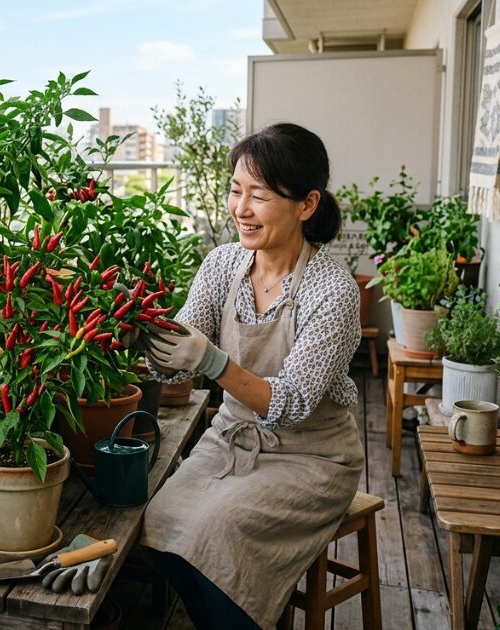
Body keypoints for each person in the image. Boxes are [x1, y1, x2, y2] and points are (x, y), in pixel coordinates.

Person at [140, 122, 363, 630]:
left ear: (307, 204)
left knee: (217, 529)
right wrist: (145, 336)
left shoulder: (332, 290)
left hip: (312, 454)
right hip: (232, 437)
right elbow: (179, 348)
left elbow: (293, 402)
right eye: (235, 191)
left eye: (257, 196)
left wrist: (211, 361)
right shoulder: (223, 264)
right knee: (159, 523)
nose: (240, 209)